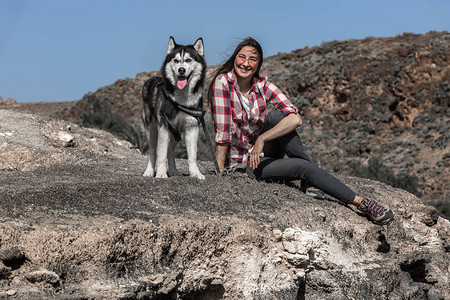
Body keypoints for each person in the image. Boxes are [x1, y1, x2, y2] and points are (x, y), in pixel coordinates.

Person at [208, 37, 394, 225]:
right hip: (243, 162)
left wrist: (262, 138)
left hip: (261, 152)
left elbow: (295, 117)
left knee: (277, 118)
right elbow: (223, 133)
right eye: (242, 57)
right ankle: (361, 202)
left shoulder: (262, 85)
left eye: (252, 59)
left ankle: (310, 179)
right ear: (234, 59)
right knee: (303, 167)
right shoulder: (223, 83)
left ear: (258, 64)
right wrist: (221, 173)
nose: (246, 64)